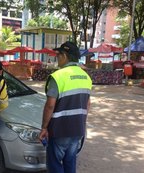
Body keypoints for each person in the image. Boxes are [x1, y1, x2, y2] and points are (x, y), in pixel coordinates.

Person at [39, 41, 92, 173]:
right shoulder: (86, 77)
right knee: (70, 160)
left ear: (64, 55)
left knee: (55, 164)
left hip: (60, 130)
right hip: (78, 128)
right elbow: (87, 104)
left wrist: (44, 127)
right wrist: (82, 123)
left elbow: (50, 105)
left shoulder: (58, 76)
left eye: (58, 55)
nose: (57, 58)